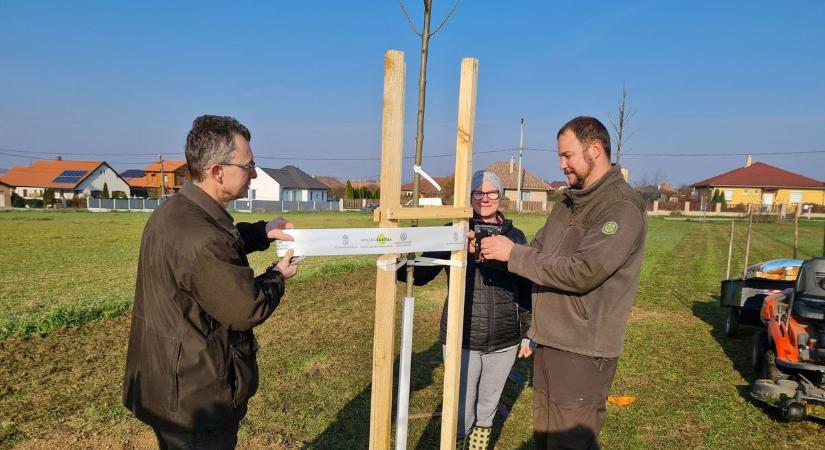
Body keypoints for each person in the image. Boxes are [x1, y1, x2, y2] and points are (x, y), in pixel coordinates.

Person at [122, 115, 298, 449]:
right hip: (196, 397)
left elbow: (218, 247)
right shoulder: (202, 236)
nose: (255, 173)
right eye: (248, 165)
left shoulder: (178, 211)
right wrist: (278, 274)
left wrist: (261, 231)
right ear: (217, 171)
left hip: (167, 381)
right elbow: (246, 307)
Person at [477, 116, 647, 449]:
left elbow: (584, 271)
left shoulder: (621, 207)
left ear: (595, 150)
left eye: (567, 156)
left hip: (583, 348)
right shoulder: (569, 201)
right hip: (551, 340)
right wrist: (494, 252)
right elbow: (538, 253)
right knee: (548, 437)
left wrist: (512, 254)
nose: (561, 165)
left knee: (571, 441)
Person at [398, 170, 533, 450]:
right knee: (461, 409)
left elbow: (526, 288)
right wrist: (398, 254)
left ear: (501, 196)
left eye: (491, 192)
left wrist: (528, 332)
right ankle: (456, 444)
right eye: (478, 193)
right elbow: (419, 274)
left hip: (505, 339)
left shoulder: (515, 237)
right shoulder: (454, 232)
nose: (485, 199)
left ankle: (478, 447)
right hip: (462, 338)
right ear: (470, 196)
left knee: (488, 407)